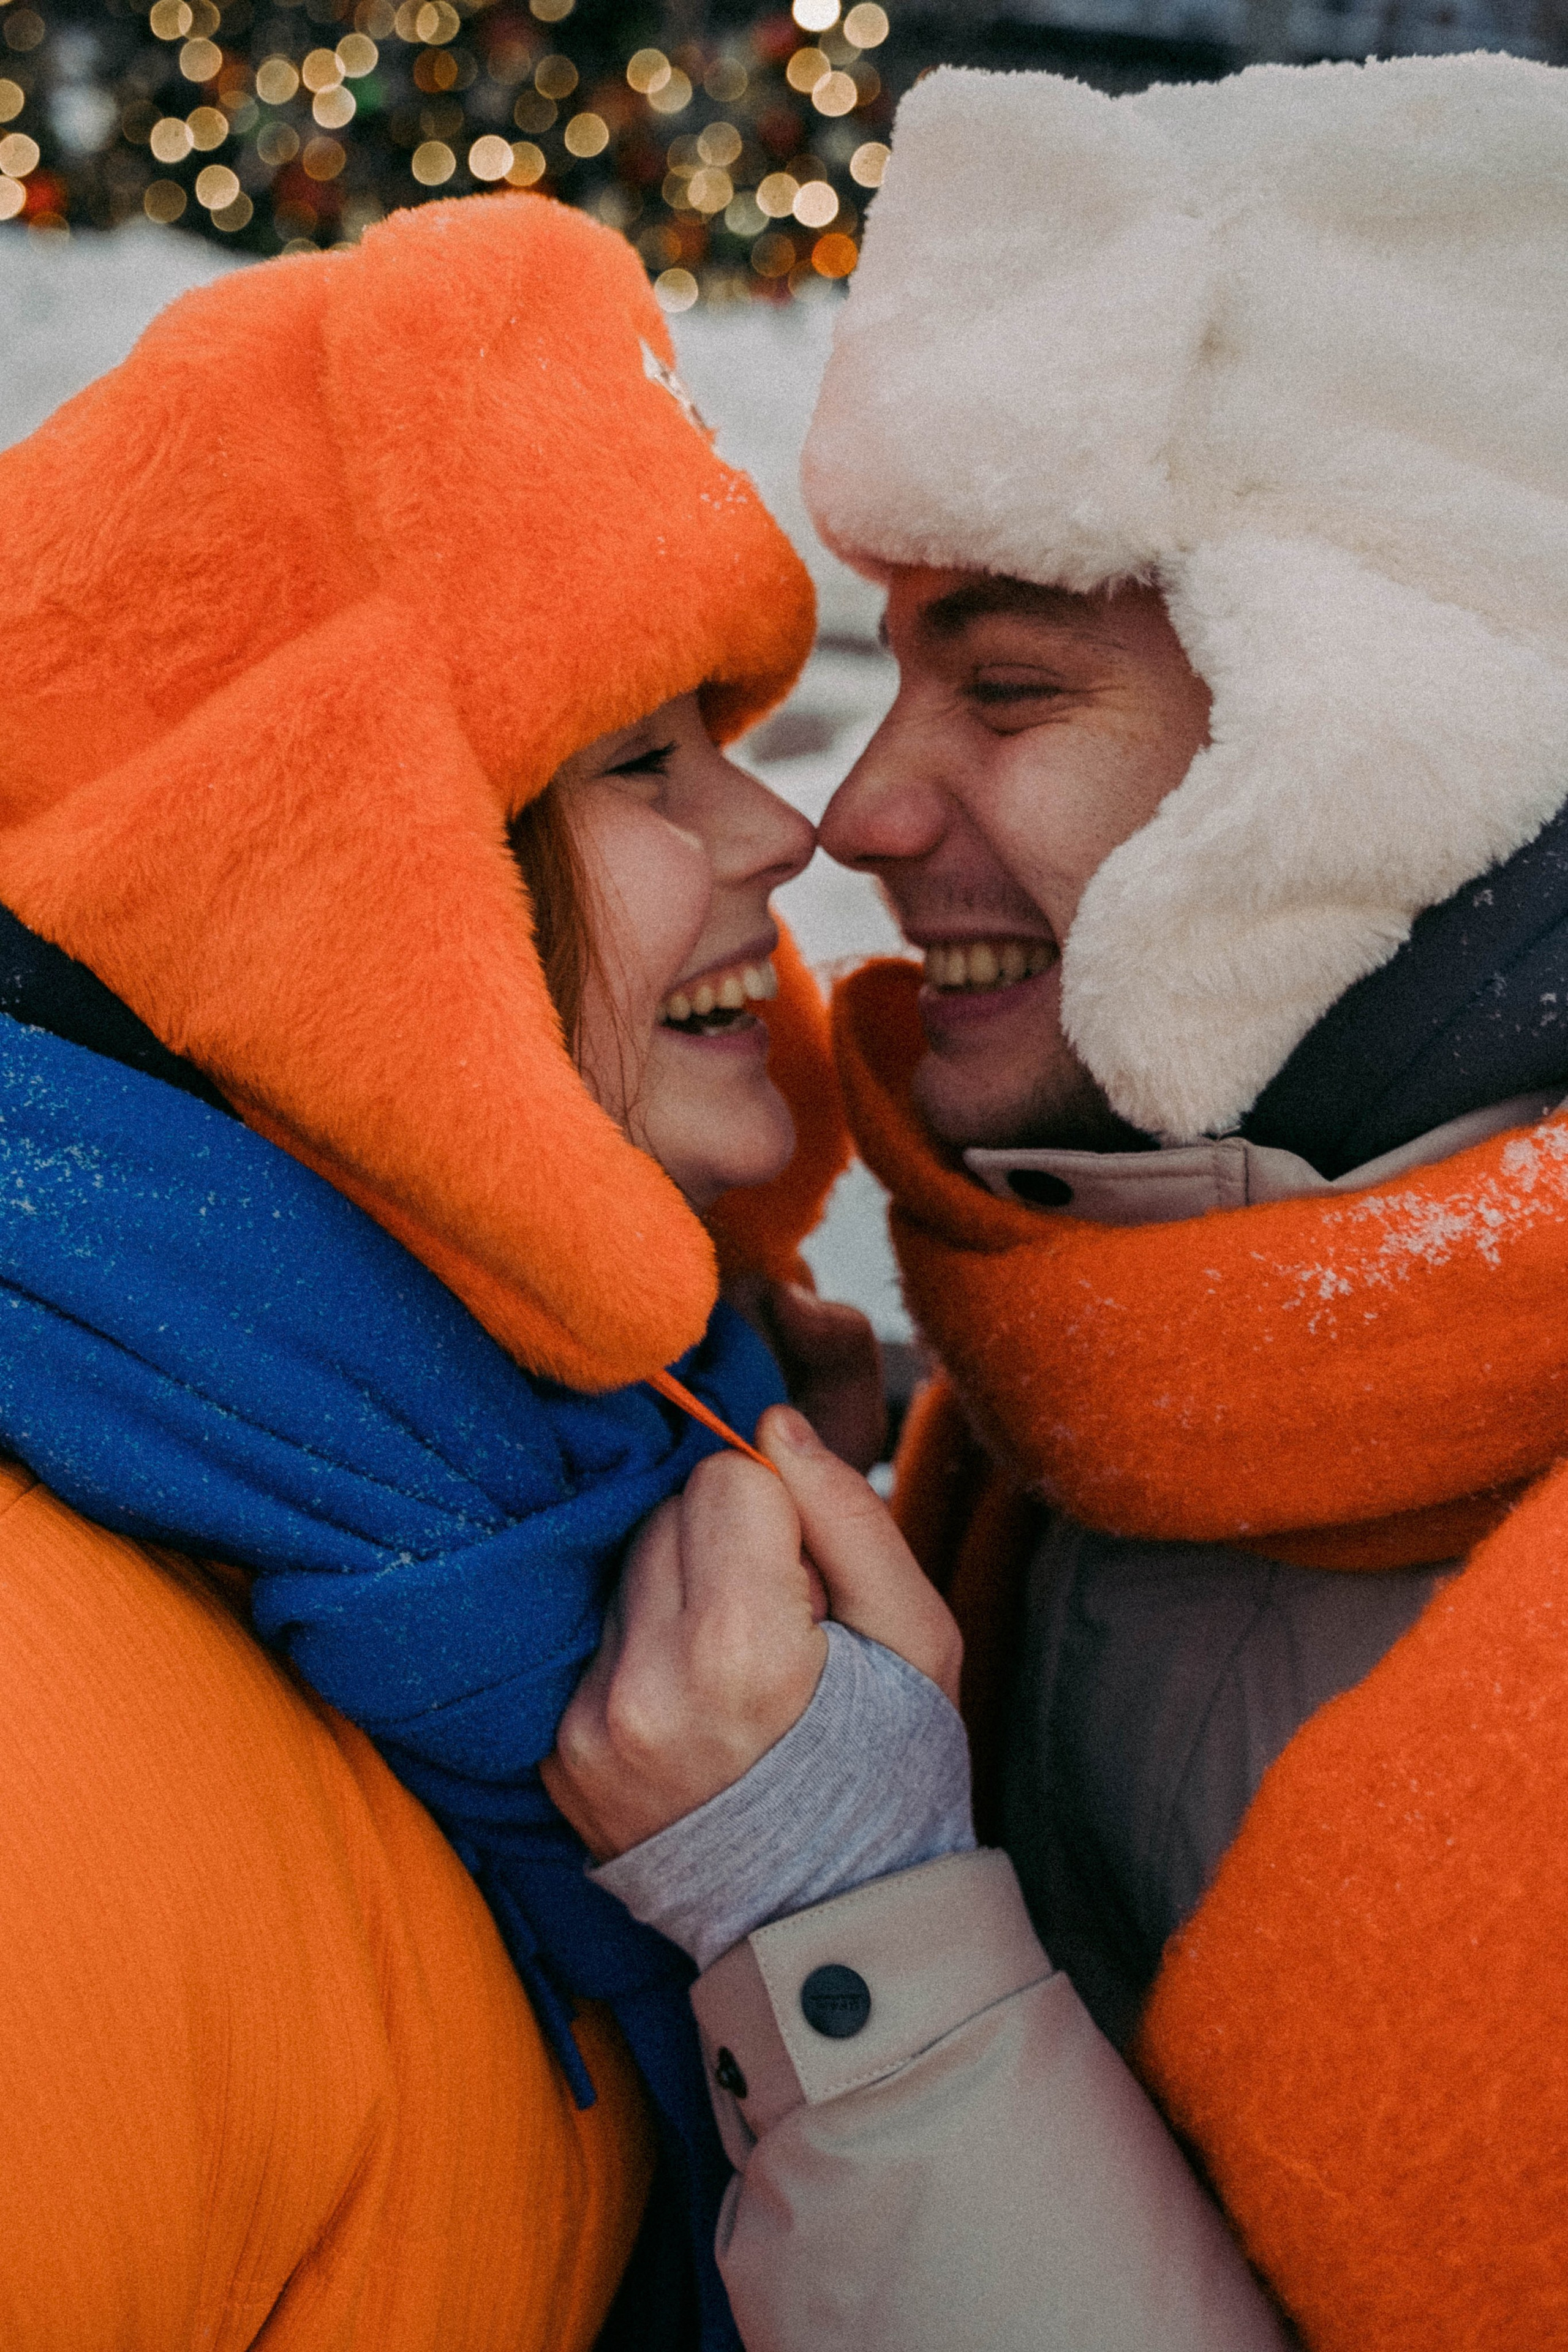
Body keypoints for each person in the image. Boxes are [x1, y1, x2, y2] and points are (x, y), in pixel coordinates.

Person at [546, 50, 1568, 2351]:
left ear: (1393, 753)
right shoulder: (1082, 1388)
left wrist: (862, 1948)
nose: (857, 814)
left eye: (1005, 690)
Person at [0, 188, 948, 2352]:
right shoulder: (43, 1739)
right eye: (639, 759)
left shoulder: (552, 1491)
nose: (786, 833)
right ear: (343, 891)